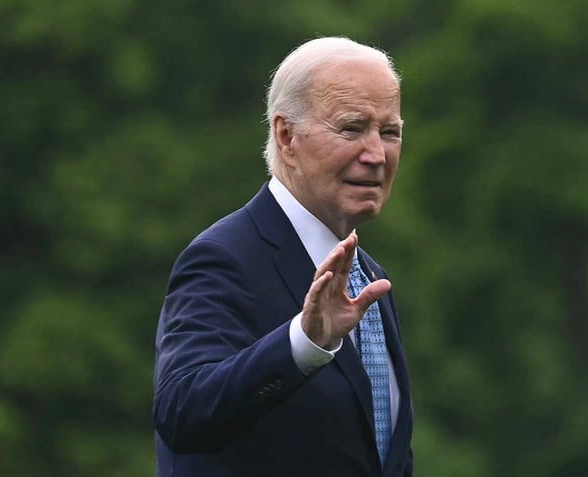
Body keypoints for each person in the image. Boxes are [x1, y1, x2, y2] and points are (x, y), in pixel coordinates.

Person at [153, 36, 414, 476]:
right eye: (352, 128)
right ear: (286, 135)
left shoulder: (369, 280)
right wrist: (303, 343)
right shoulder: (223, 258)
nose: (376, 155)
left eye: (390, 132)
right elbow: (182, 411)